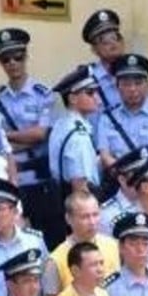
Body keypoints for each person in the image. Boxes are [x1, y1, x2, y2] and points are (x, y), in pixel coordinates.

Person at [0, 28, 60, 247]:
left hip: (41, 183)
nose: (13, 63)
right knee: (19, 242)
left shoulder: (43, 93)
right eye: (6, 59)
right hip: (13, 182)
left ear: (26, 57)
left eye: (17, 57)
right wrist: (19, 139)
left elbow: (41, 133)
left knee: (49, 242)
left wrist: (7, 137)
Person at [96, 54, 148, 169]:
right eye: (126, 84)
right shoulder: (108, 117)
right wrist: (124, 174)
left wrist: (142, 175)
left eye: (138, 83)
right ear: (117, 87)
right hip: (119, 179)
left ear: (147, 85)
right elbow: (105, 156)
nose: (132, 89)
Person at [42, 191, 120, 296]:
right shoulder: (56, 261)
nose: (92, 222)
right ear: (68, 219)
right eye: (85, 217)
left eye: (95, 215)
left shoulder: (113, 246)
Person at [48, 65, 102, 199]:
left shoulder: (63, 123)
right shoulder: (79, 136)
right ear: (72, 98)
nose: (97, 98)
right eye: (90, 93)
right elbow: (80, 183)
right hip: (79, 200)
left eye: (96, 92)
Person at [81, 9, 125, 114]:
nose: (112, 43)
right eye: (104, 40)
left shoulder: (135, 75)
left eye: (115, 37)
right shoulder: (86, 80)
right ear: (94, 49)